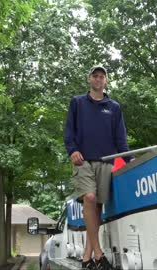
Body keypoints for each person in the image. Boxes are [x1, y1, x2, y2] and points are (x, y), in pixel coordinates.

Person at [64, 65, 132, 270]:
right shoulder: (77, 102)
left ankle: (86, 258)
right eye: (95, 76)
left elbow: (120, 138)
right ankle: (99, 254)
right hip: (82, 160)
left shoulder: (114, 107)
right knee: (90, 198)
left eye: (102, 76)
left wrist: (129, 161)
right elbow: (69, 131)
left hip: (106, 160)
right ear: (89, 79)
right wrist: (72, 150)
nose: (98, 79)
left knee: (97, 208)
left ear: (106, 81)